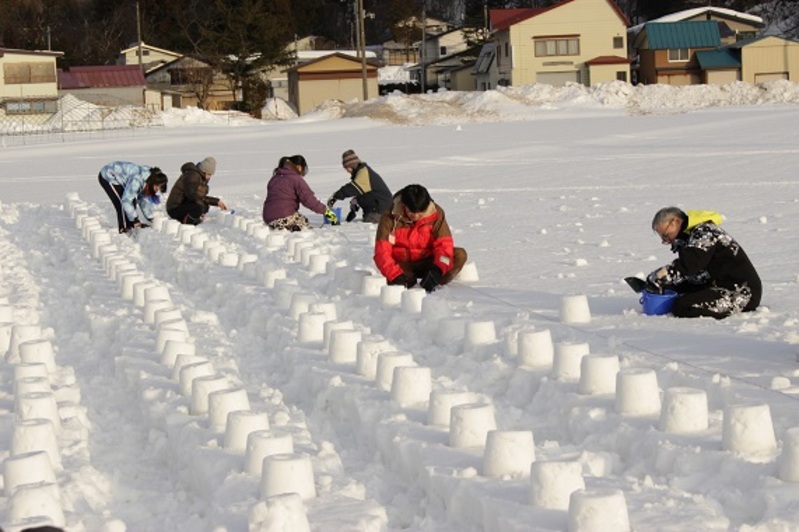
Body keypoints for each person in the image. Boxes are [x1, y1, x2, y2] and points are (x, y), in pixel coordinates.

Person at [647, 206, 762, 319]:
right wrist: (669, 285)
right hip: (717, 284)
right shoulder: (687, 237)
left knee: (682, 306)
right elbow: (697, 273)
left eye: (666, 235)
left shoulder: (705, 233)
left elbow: (690, 265)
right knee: (674, 290)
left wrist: (662, 275)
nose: (666, 240)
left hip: (742, 293)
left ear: (675, 221)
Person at [374, 184, 467, 293]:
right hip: (401, 263)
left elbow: (444, 245)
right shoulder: (389, 216)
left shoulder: (437, 213)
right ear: (404, 205)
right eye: (412, 212)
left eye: (420, 212)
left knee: (459, 254)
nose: (416, 216)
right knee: (401, 281)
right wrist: (394, 275)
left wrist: (438, 269)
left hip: (427, 261)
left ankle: (433, 280)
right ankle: (406, 281)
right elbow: (382, 252)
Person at [262, 154, 339, 231]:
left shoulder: (274, 178)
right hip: (284, 216)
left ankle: (285, 227)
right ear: (299, 167)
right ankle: (295, 229)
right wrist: (327, 212)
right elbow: (309, 200)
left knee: (297, 217)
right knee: (306, 226)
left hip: (268, 217)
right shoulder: (296, 179)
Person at [98, 161, 168, 233]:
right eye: (157, 188)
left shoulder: (149, 180)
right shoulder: (137, 181)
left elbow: (143, 199)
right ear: (153, 182)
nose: (157, 190)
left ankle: (131, 224)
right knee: (121, 203)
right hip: (109, 175)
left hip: (122, 178)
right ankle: (124, 229)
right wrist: (135, 219)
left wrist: (150, 217)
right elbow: (126, 200)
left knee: (131, 201)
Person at [327, 149, 392, 223]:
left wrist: (336, 196)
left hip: (379, 211)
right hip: (377, 209)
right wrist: (357, 200)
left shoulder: (363, 173)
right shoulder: (363, 172)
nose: (347, 171)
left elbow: (353, 188)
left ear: (352, 165)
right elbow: (367, 191)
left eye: (347, 168)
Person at [166, 156, 227, 225]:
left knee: (204, 206)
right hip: (174, 208)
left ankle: (191, 217)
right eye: (209, 174)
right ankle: (187, 222)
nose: (209, 177)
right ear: (203, 171)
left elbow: (199, 197)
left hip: (182, 204)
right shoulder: (192, 176)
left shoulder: (199, 176)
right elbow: (192, 196)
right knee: (199, 207)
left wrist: (216, 202)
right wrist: (200, 209)